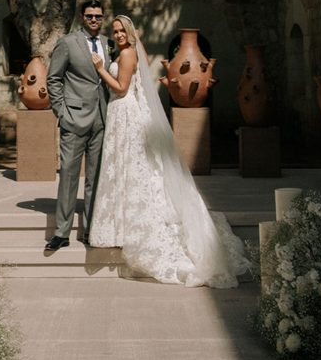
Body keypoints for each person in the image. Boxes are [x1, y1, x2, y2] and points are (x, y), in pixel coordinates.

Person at [89, 15, 249, 287]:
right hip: (123, 114)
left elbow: (121, 88)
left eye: (121, 31)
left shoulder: (127, 55)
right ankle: (120, 222)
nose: (117, 35)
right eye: (114, 31)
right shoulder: (130, 51)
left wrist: (100, 69)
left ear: (129, 32)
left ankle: (130, 225)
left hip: (125, 112)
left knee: (130, 168)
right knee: (126, 167)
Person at [45, 0, 110, 251]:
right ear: (82, 17)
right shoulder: (68, 42)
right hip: (73, 118)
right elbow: (54, 79)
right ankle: (61, 233)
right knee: (69, 177)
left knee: (96, 179)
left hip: (101, 120)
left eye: (98, 16)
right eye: (90, 16)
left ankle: (91, 229)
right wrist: (61, 112)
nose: (94, 20)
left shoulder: (108, 44)